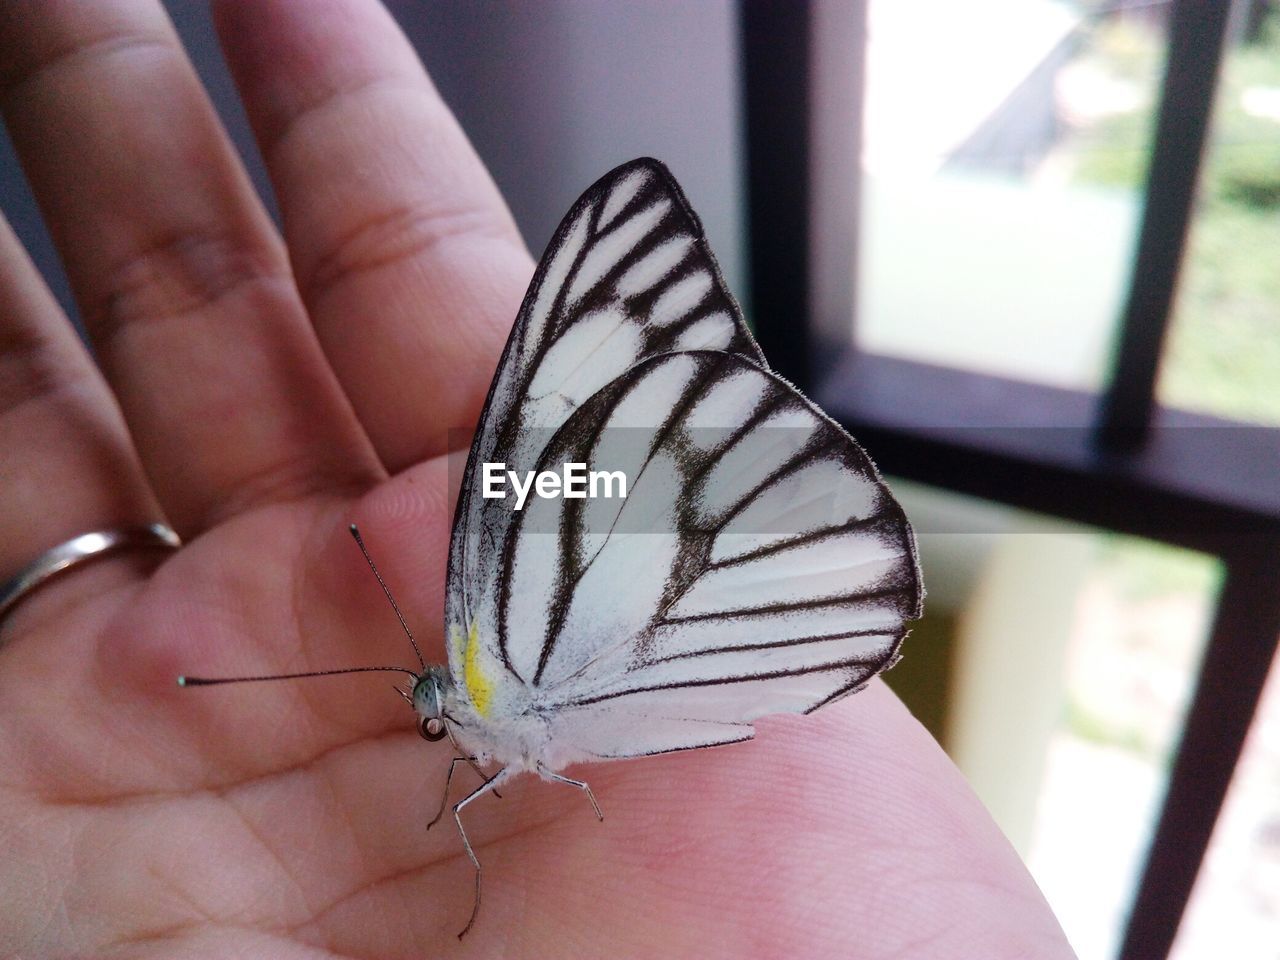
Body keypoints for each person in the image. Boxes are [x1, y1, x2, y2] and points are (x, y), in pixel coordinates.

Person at [0, 1, 1079, 955]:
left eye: (435, 714)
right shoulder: (482, 679)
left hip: (703, 534)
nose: (428, 715)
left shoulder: (484, 661)